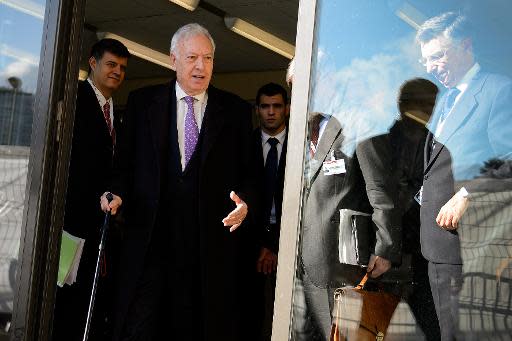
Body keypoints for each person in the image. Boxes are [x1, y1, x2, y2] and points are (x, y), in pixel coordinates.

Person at [100, 23, 257, 341]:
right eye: (192, 57)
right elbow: (123, 168)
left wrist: (245, 203)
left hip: (206, 253)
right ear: (173, 60)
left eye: (208, 58)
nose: (201, 66)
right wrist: (115, 194)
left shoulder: (236, 111)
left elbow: (252, 175)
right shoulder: (143, 104)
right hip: (150, 245)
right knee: (140, 328)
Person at [416, 12, 512, 340]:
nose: (430, 66)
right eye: (426, 59)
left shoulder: (498, 91)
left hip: (473, 248)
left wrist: (468, 193)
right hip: (439, 248)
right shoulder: (446, 100)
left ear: (466, 46)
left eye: (438, 55)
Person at [291, 74, 400, 339]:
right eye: (295, 85)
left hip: (341, 266)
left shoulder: (358, 122)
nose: (302, 91)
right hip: (298, 266)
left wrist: (385, 247)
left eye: (309, 80)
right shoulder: (296, 131)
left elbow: (380, 189)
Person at [52, 38, 130, 341]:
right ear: (93, 63)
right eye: (111, 64)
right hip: (68, 226)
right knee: (61, 306)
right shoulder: (73, 100)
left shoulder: (117, 114)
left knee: (88, 306)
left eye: (122, 68)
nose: (117, 72)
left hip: (100, 230)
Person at [389, 78, 441, 340]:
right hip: (392, 244)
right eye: (424, 104)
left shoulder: (436, 140)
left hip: (427, 244)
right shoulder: (389, 141)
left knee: (428, 320)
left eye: (431, 104)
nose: (428, 110)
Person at [251, 82, 289, 340]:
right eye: (265, 106)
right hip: (251, 242)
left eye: (277, 106)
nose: (271, 112)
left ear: (287, 108)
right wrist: (261, 246)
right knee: (252, 311)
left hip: (289, 240)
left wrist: (275, 246)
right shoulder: (244, 143)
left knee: (283, 312)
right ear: (257, 110)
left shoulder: (302, 145)